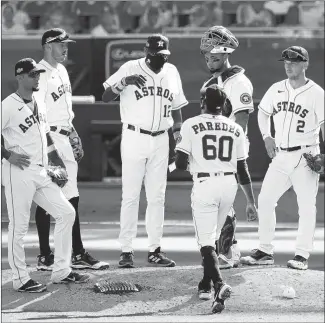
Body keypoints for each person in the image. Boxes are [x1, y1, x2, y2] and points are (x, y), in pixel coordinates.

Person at [1, 58, 90, 292]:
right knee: (18, 227)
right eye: (32, 74)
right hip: (17, 171)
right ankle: (20, 278)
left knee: (66, 213)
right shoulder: (8, 105)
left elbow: (45, 134)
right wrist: (7, 155)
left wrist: (55, 162)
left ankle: (61, 271)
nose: (37, 77)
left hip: (41, 171)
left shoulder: (39, 101)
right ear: (20, 77)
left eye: (38, 74)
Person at [102, 34, 188, 268]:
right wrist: (124, 82)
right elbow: (106, 95)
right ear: (146, 52)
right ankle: (126, 250)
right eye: (156, 55)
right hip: (133, 136)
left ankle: (155, 250)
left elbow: (177, 106)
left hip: (161, 139)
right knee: (130, 196)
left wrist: (178, 137)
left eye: (163, 55)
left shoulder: (171, 71)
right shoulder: (130, 67)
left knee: (157, 197)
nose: (160, 59)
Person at [173, 84, 258, 313]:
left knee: (206, 243)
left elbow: (180, 164)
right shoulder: (235, 128)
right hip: (229, 185)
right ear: (225, 106)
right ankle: (206, 285)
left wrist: (185, 159)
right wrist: (250, 201)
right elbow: (243, 168)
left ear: (203, 103)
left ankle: (219, 284)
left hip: (205, 184)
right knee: (213, 237)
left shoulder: (191, 123)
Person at [240, 46, 324, 270]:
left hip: (306, 154)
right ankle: (265, 250)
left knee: (306, 206)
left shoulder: (317, 93)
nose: (288, 65)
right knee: (266, 200)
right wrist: (267, 136)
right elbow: (263, 112)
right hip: (280, 154)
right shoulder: (277, 88)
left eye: (294, 62)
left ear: (305, 64)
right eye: (286, 61)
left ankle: (302, 255)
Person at [33, 28, 109, 271]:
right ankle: (46, 255)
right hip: (50, 139)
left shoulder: (62, 70)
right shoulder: (40, 73)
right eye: (61, 44)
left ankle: (76, 253)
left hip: (65, 134)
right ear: (48, 45)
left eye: (67, 44)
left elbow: (64, 110)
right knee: (48, 196)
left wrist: (73, 132)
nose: (66, 48)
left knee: (72, 197)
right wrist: (50, 147)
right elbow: (37, 114)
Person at [199, 25, 255, 269]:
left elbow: (242, 119)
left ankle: (228, 252)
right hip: (214, 147)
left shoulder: (238, 82)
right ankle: (230, 249)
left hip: (230, 148)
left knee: (224, 200)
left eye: (214, 56)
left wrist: (233, 149)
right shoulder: (215, 80)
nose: (209, 59)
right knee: (220, 200)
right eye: (208, 56)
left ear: (225, 54)